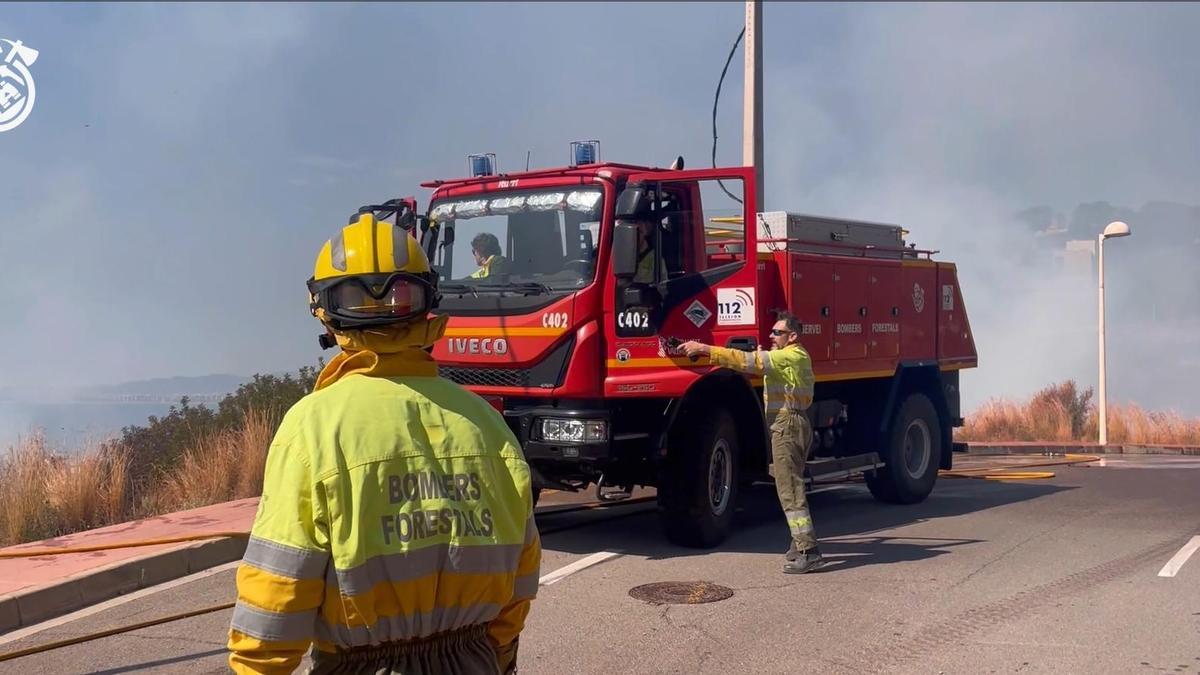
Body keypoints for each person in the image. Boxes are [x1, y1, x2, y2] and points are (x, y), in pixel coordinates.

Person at [227, 213, 541, 674]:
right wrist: (493, 657)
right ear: (425, 302)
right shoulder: (485, 424)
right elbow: (521, 572)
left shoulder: (312, 429)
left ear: (325, 312)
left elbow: (278, 595)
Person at [680, 311, 825, 574]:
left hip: (788, 426)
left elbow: (747, 361)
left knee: (790, 491)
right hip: (793, 424)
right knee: (791, 487)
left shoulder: (791, 355)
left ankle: (809, 550)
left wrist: (703, 348)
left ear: (792, 336)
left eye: (777, 333)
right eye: (771, 332)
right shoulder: (792, 357)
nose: (771, 336)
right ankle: (799, 543)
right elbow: (767, 368)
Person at [631, 217, 668, 284]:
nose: (634, 236)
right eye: (631, 233)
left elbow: (663, 287)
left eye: (639, 232)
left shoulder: (656, 260)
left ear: (645, 233)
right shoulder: (624, 255)